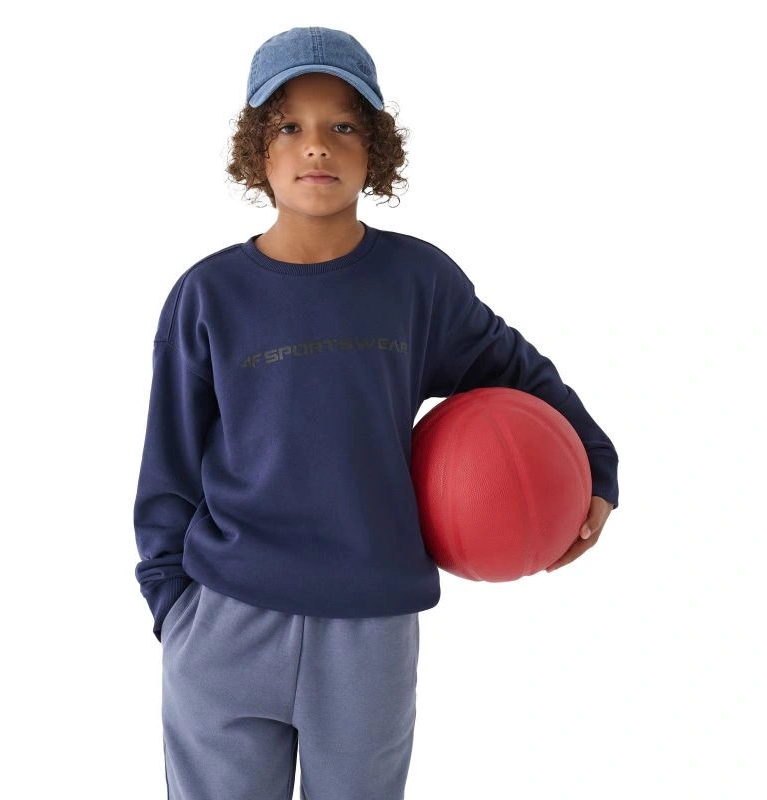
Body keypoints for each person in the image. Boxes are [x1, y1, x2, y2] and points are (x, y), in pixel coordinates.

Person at [132, 26, 620, 800]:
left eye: (343, 125)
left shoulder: (417, 283)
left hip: (371, 633)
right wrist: (174, 608)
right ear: (257, 149)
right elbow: (169, 461)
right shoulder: (208, 295)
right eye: (288, 126)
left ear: (376, 148)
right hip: (225, 624)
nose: (316, 145)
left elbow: (521, 375)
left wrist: (594, 468)